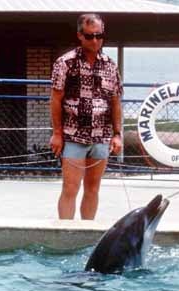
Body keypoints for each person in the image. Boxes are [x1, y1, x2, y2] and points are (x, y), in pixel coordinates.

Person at [50, 13, 123, 219]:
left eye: (99, 36)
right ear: (80, 36)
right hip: (73, 135)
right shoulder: (65, 63)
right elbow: (55, 99)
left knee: (93, 189)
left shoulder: (110, 65)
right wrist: (57, 133)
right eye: (90, 36)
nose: (95, 40)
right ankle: (66, 234)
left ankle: (87, 233)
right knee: (70, 189)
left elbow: (116, 101)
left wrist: (117, 134)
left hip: (101, 136)